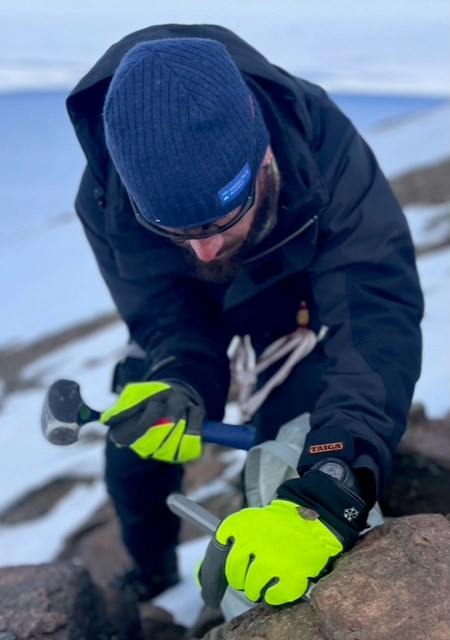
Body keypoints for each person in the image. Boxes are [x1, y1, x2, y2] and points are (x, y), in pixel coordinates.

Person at [66, 23, 423, 607]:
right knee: (133, 448)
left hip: (297, 312)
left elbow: (373, 311)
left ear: (261, 160)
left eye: (220, 220)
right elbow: (160, 307)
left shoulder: (324, 147)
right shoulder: (108, 191)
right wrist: (182, 375)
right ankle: (152, 574)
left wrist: (335, 483)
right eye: (173, 231)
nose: (203, 250)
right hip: (197, 316)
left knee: (290, 445)